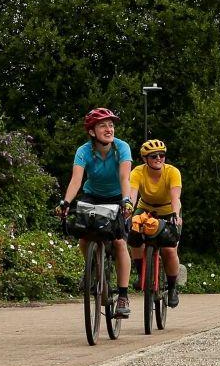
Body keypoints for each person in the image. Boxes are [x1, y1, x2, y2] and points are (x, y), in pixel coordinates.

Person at [60, 107, 136, 318]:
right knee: (84, 238)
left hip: (116, 197)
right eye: (103, 125)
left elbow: (124, 178)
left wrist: (127, 201)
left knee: (120, 242)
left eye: (111, 125)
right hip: (92, 195)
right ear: (92, 131)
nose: (109, 129)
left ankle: (122, 295)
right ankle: (93, 268)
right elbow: (77, 179)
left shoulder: (122, 148)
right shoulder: (83, 151)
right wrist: (66, 202)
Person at [127, 139, 183, 307]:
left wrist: (175, 215)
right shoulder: (137, 172)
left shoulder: (172, 172)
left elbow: (176, 197)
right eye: (153, 156)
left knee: (169, 250)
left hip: (168, 211)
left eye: (162, 155)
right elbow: (132, 195)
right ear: (145, 159)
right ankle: (141, 273)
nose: (158, 158)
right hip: (145, 209)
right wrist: (128, 209)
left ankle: (172, 288)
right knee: (134, 236)